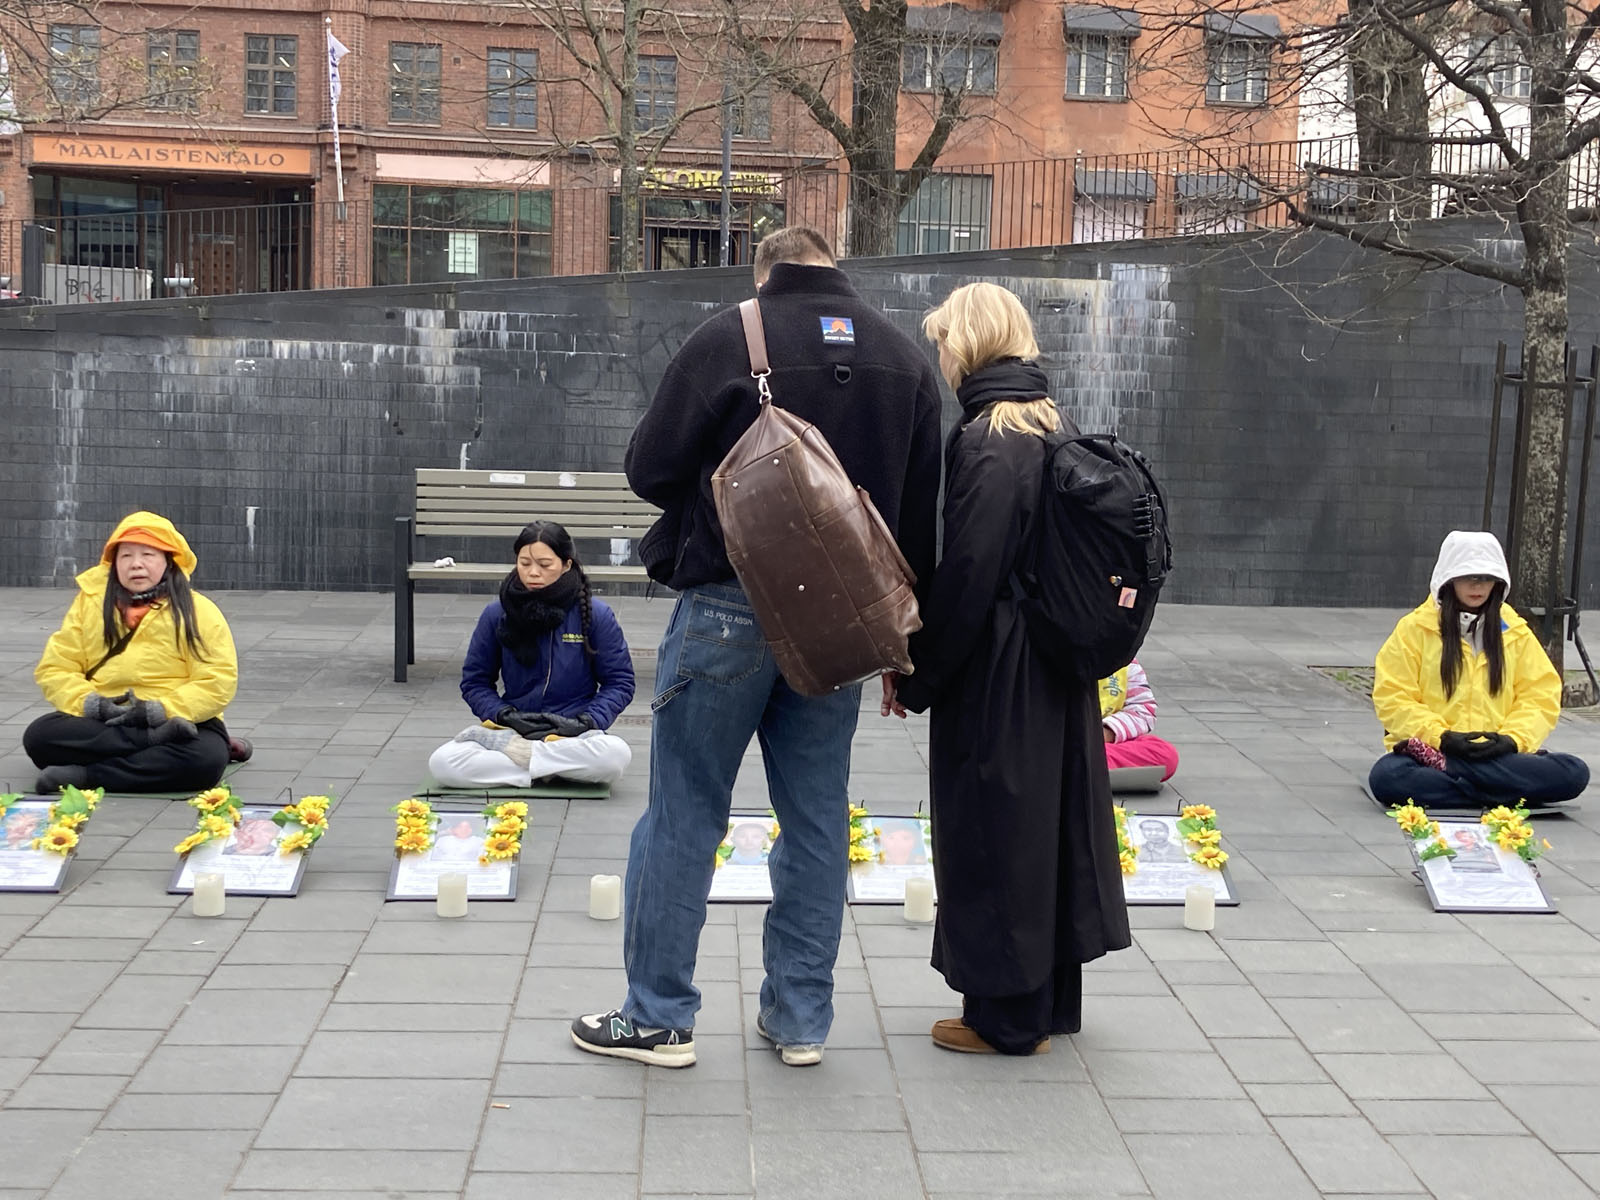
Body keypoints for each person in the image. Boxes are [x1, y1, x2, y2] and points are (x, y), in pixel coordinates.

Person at [570, 225, 942, 1070]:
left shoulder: (728, 337)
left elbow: (649, 469)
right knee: (815, 818)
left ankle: (658, 1018)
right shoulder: (903, 359)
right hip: (841, 623)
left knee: (685, 808)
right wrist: (903, 648)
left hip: (727, 607)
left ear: (763, 272)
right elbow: (918, 525)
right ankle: (800, 1019)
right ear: (835, 266)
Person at [885, 282, 1131, 1057]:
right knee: (1041, 833)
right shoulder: (1051, 422)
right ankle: (1044, 1006)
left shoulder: (989, 437)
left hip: (1002, 668)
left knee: (994, 832)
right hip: (1053, 667)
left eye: (943, 341)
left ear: (969, 343)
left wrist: (920, 675)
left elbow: (970, 573)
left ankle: (1006, 1020)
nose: (940, 355)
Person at [1369, 530, 1589, 809]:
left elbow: (1540, 696)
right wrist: (1443, 738)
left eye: (1486, 577)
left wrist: (1511, 740)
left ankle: (1463, 782)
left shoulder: (1516, 632)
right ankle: (1501, 791)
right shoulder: (1413, 630)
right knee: (1387, 777)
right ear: (1448, 578)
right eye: (1468, 577)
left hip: (1499, 755)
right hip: (1433, 753)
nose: (1478, 586)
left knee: (1574, 772)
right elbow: (1393, 697)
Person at [25, 512, 242, 795]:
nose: (136, 564)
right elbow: (55, 668)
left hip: (179, 719)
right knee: (39, 737)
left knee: (205, 760)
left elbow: (218, 681)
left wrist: (160, 710)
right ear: (114, 563)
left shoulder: (199, 611)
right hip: (105, 718)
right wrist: (92, 704)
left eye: (148, 554)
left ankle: (85, 775)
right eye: (126, 555)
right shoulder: (89, 605)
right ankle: (152, 742)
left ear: (168, 560)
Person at [426, 521, 635, 789]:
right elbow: (475, 682)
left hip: (573, 733)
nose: (533, 572)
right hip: (511, 733)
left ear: (566, 564)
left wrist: (588, 720)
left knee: (614, 756)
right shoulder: (496, 614)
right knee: (443, 763)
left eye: (545, 565)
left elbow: (619, 682)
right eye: (524, 563)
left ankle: (527, 764)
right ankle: (554, 768)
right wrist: (503, 715)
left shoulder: (597, 615)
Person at [1101, 660, 1179, 781]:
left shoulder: (1125, 660)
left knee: (1165, 754)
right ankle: (1088, 768)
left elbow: (1142, 711)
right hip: (1071, 741)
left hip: (1104, 742)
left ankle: (1087, 767)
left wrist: (1107, 732)